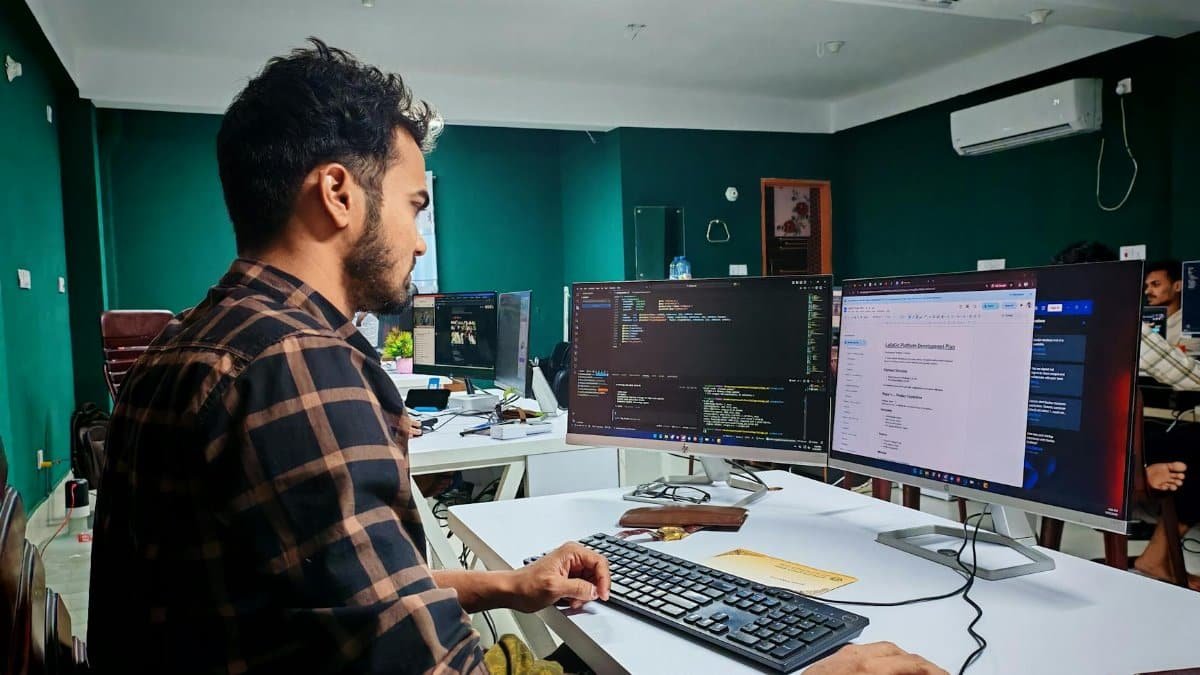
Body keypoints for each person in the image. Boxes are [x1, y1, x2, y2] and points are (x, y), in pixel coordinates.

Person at [89, 39, 945, 675]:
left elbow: (326, 592)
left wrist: (507, 586)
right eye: (416, 205)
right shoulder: (297, 367)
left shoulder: (189, 346)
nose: (421, 241)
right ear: (338, 193)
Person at [1055, 242, 1200, 589]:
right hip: (1108, 453)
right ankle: (1155, 555)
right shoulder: (1120, 320)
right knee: (1194, 445)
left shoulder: (1046, 315)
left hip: (1059, 451)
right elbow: (1189, 377)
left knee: (1167, 436)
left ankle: (1156, 550)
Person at [1145, 259, 1200, 355]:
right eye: (1147, 286)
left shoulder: (1192, 324)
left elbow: (1186, 361)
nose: (1147, 291)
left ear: (1178, 286)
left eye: (1156, 284)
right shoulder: (1143, 321)